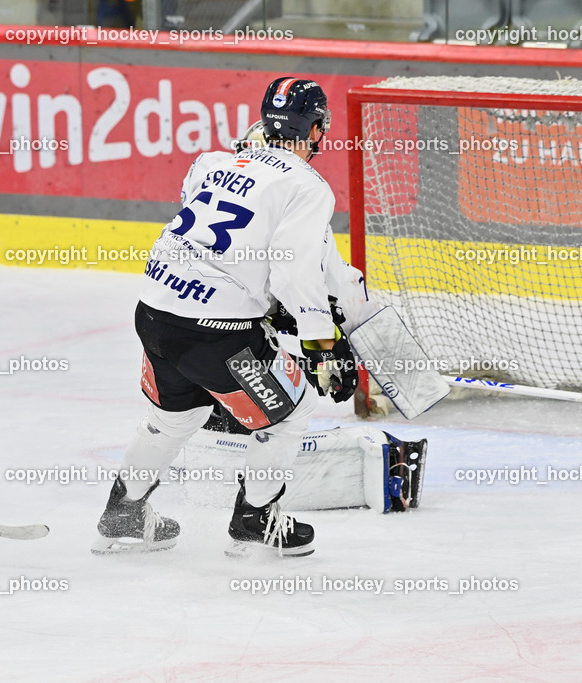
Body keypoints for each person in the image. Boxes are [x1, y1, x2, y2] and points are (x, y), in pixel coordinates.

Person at [91, 77, 357, 558]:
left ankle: (122, 515)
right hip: (216, 333)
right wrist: (322, 343)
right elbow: (294, 273)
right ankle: (256, 525)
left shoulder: (213, 162)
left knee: (175, 417)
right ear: (316, 131)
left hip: (154, 313)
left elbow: (219, 225)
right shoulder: (307, 186)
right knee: (290, 413)